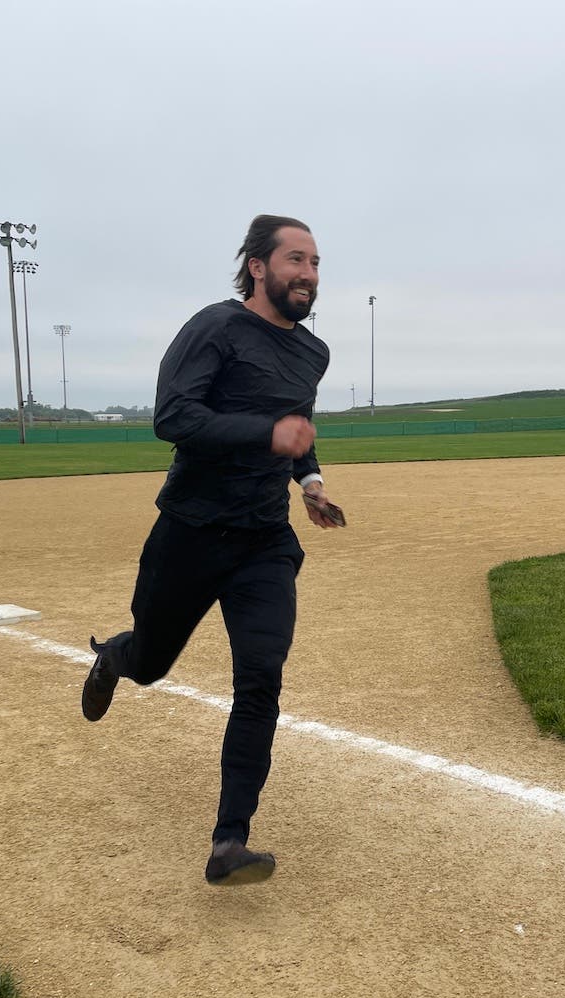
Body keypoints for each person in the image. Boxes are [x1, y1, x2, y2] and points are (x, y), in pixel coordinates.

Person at [82, 214, 344, 886]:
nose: (308, 274)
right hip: (192, 531)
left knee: (261, 678)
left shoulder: (313, 354)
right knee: (151, 663)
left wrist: (309, 480)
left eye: (315, 263)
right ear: (258, 266)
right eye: (295, 260)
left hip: (265, 542)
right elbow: (173, 416)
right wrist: (268, 434)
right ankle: (117, 656)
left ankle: (231, 840)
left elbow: (299, 430)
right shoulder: (215, 328)